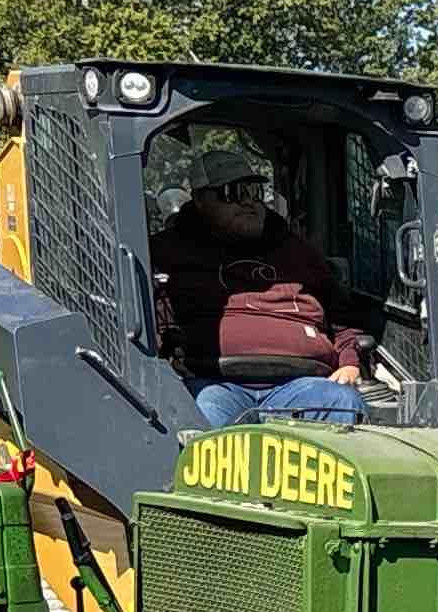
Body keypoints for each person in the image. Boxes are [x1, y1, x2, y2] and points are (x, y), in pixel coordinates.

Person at [154, 139, 366, 426]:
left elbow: (341, 315)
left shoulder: (297, 251)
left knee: (342, 402)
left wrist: (350, 361)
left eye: (254, 191)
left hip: (301, 385)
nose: (248, 202)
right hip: (215, 385)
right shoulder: (169, 251)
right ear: (201, 200)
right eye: (232, 193)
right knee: (199, 420)